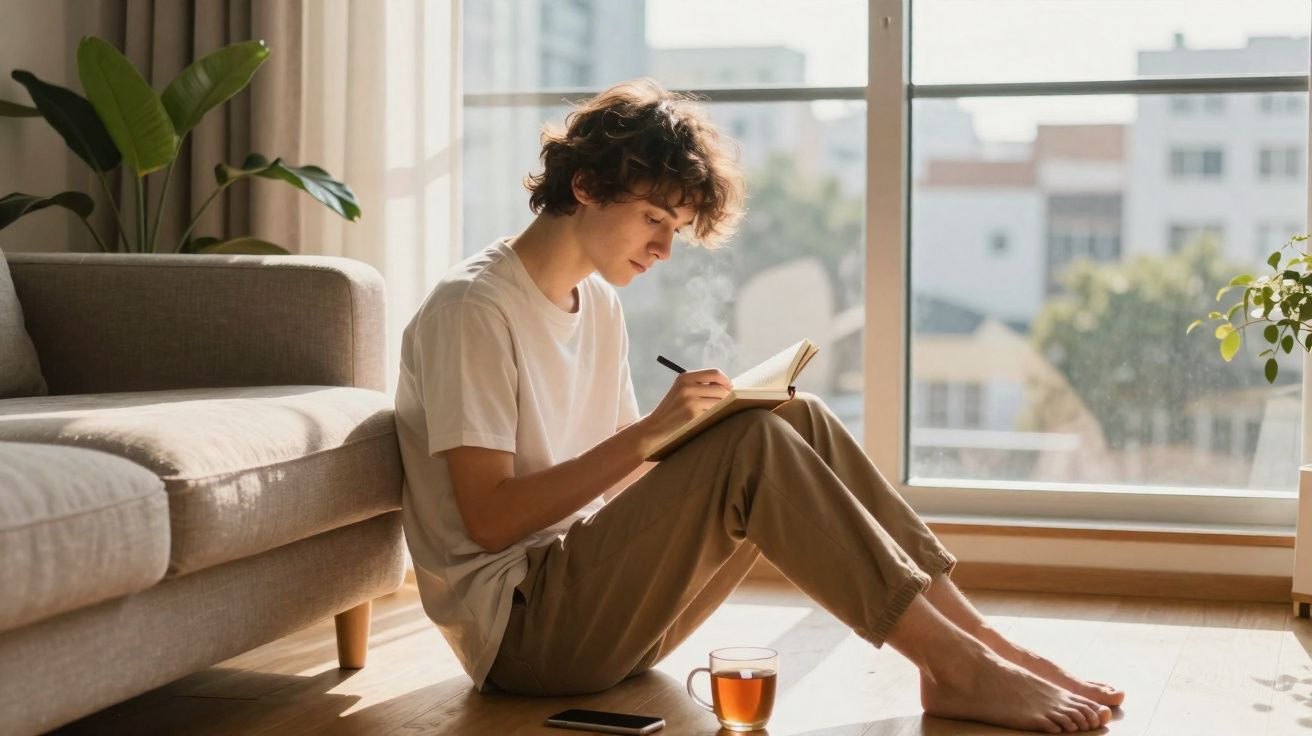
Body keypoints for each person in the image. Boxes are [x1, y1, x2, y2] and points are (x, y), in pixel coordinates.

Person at [394, 78, 1125, 734]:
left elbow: (620, 485)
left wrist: (702, 429)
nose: (663, 249)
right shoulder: (474, 309)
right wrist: (654, 434)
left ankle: (980, 648)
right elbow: (489, 520)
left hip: (598, 609)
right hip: (524, 636)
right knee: (753, 446)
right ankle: (959, 666)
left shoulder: (600, 305)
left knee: (790, 418)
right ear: (584, 184)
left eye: (674, 229)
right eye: (653, 218)